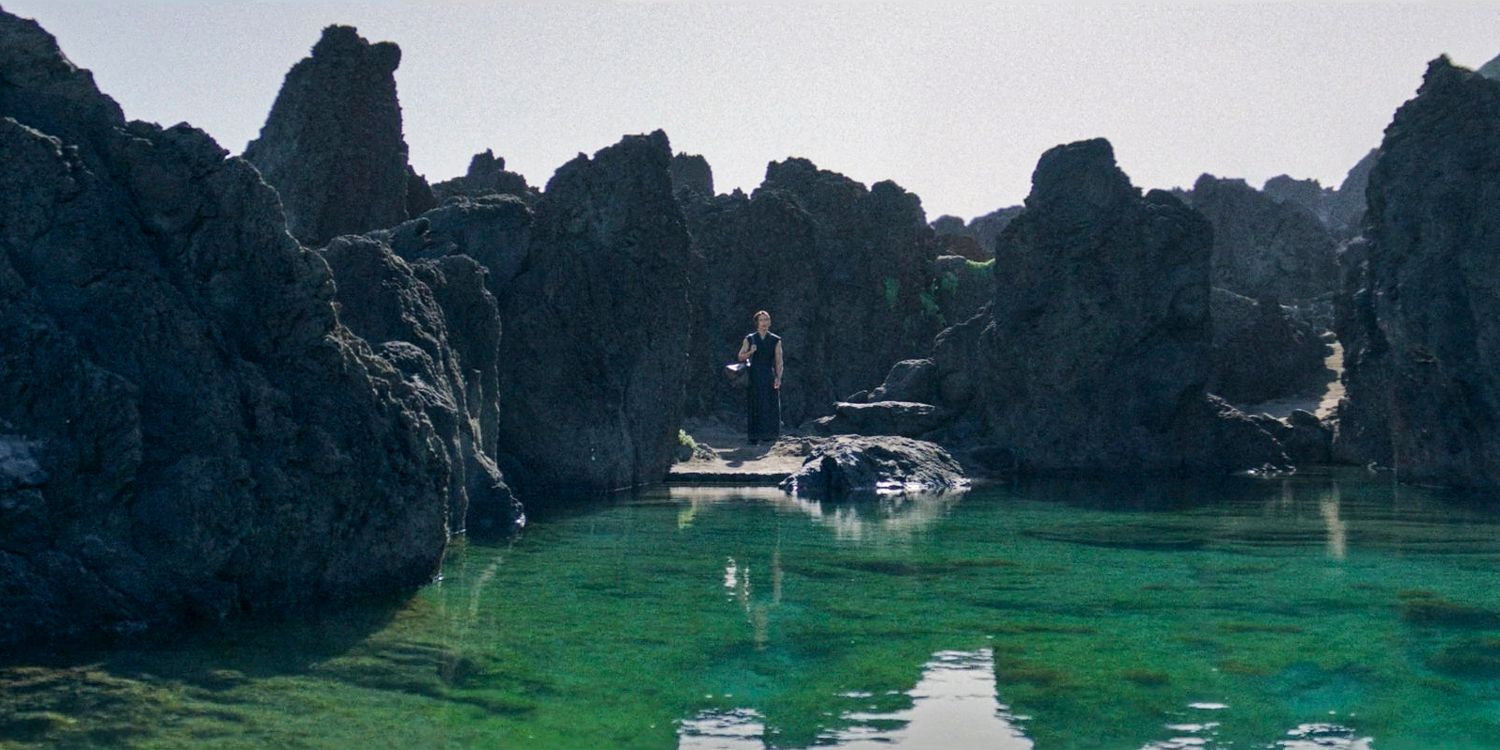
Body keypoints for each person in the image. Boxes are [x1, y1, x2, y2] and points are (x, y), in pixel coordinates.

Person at [737, 310, 783, 444]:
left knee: (770, 403)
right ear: (757, 322)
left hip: (768, 373)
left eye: (767, 320)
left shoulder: (775, 339)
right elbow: (740, 356)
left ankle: (769, 435)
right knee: (754, 404)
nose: (764, 323)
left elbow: (779, 360)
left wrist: (778, 377)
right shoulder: (750, 338)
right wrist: (751, 351)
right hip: (754, 374)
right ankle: (754, 436)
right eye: (762, 320)